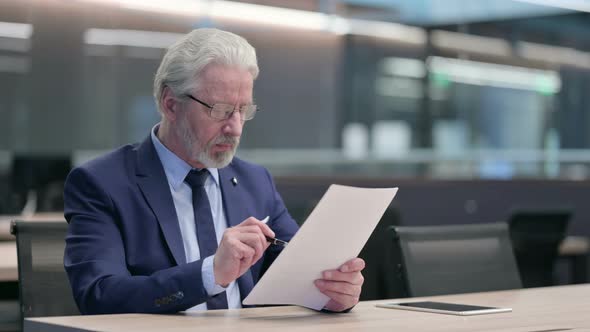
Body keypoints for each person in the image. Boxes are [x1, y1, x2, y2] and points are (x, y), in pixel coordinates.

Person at [64, 28, 365, 314]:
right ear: (171, 104)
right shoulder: (102, 183)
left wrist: (332, 293)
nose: (234, 127)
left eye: (243, 110)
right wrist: (211, 273)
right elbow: (98, 295)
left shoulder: (254, 182)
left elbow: (301, 273)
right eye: (220, 110)